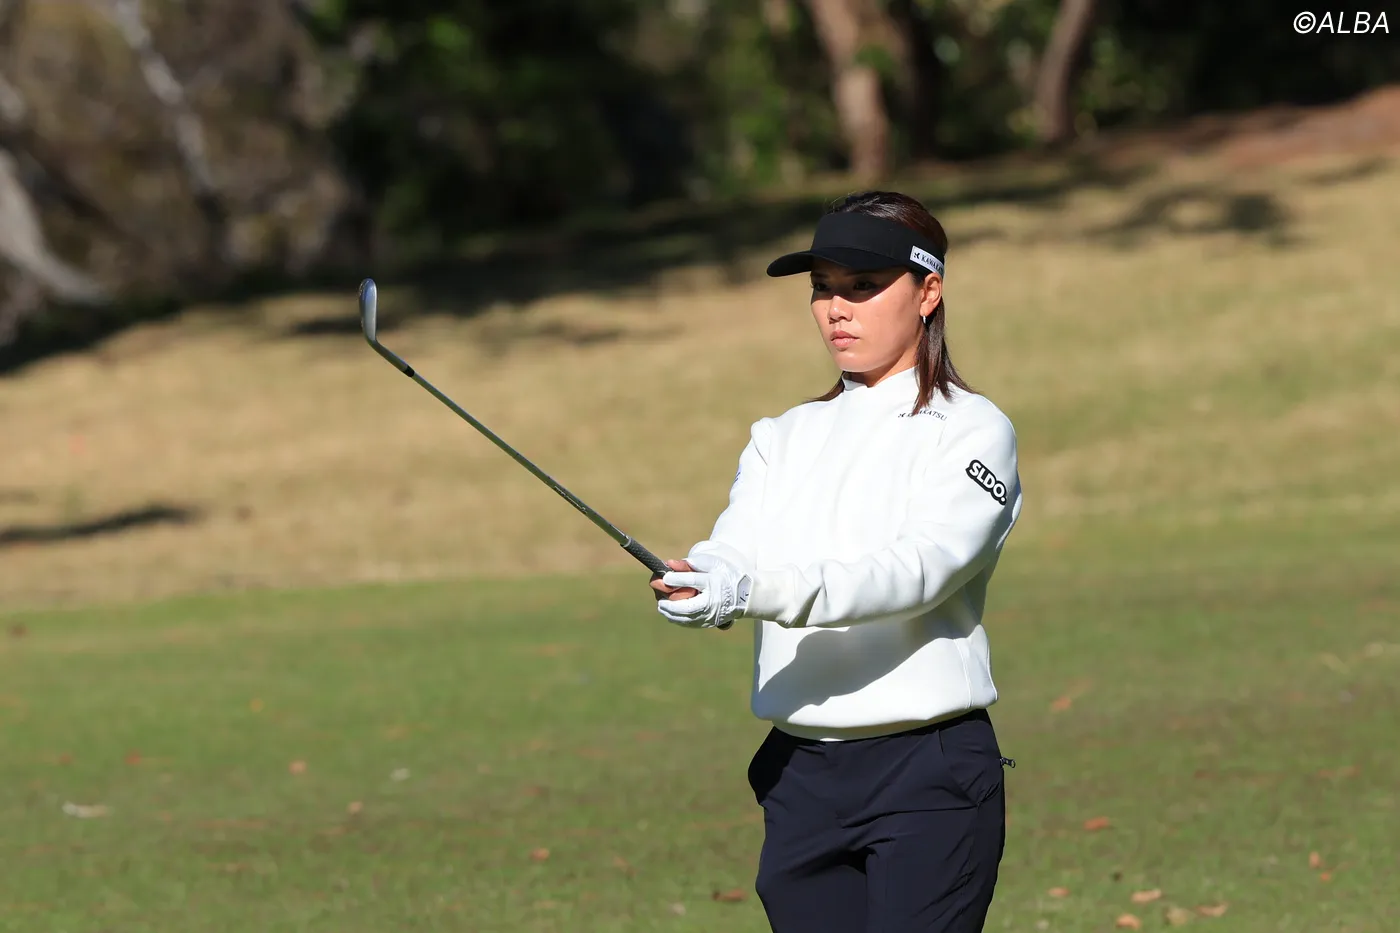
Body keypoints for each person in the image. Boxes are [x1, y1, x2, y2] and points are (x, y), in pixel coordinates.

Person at [650, 190, 1023, 932]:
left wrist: (747, 591)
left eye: (863, 286)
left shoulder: (972, 431)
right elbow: (736, 544)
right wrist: (704, 579)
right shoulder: (782, 435)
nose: (836, 310)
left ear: (928, 291)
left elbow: (917, 573)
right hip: (801, 776)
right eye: (823, 288)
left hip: (926, 771)